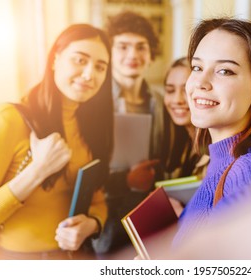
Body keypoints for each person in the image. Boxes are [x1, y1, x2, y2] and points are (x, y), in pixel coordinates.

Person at [0, 24, 114, 259]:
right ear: (55, 59)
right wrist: (37, 171)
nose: (89, 74)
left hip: (77, 258)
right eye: (80, 60)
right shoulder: (8, 120)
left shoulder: (92, 127)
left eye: (100, 67)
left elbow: (98, 200)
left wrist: (92, 224)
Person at [172, 17, 251, 245]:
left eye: (224, 71)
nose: (201, 82)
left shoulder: (250, 171)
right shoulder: (222, 160)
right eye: (197, 67)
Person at [93, 10, 164, 255]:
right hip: (104, 223)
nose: (132, 55)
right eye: (122, 47)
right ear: (110, 53)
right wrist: (125, 180)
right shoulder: (93, 102)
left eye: (140, 47)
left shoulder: (161, 101)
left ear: (150, 52)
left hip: (150, 218)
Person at [161, 57, 209, 181]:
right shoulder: (183, 145)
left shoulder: (216, 152)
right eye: (170, 90)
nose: (177, 100)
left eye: (186, 90)